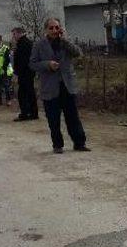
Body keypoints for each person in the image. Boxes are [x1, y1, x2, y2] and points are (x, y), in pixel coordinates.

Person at [30, 18, 89, 154]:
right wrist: (47, 64)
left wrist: (65, 40)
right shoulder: (39, 45)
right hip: (50, 87)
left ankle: (79, 143)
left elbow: (78, 53)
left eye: (57, 27)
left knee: (73, 116)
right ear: (46, 30)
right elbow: (32, 64)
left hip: (67, 86)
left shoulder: (65, 43)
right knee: (53, 119)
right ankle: (57, 145)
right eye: (51, 28)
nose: (54, 31)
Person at [11, 27, 38, 121]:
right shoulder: (25, 42)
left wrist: (16, 73)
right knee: (29, 92)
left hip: (25, 73)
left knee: (23, 93)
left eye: (14, 34)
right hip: (28, 72)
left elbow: (22, 61)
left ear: (19, 33)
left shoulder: (23, 44)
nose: (13, 36)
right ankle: (32, 112)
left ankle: (26, 113)